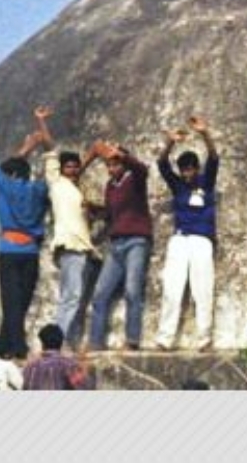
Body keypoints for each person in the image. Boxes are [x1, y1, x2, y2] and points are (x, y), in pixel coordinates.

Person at [0, 112, 51, 359]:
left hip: (10, 249)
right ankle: (6, 344)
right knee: (21, 303)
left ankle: (18, 347)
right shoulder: (39, 189)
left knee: (11, 303)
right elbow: (51, 156)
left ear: (11, 175)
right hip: (31, 251)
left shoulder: (5, 185)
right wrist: (37, 135)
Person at [32, 107, 98, 350]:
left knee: (73, 297)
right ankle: (56, 344)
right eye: (68, 166)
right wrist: (41, 122)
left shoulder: (77, 191)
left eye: (75, 166)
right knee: (71, 297)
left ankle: (65, 340)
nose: (73, 169)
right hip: (70, 246)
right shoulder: (57, 183)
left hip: (83, 248)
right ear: (61, 169)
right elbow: (50, 149)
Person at [154, 115, 221, 352]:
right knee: (172, 289)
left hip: (202, 240)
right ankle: (165, 338)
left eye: (189, 169)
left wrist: (204, 133)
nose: (186, 174)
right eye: (183, 170)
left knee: (203, 289)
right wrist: (170, 143)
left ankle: (204, 338)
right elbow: (162, 164)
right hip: (180, 239)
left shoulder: (206, 182)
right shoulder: (178, 186)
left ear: (196, 169)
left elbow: (214, 157)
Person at [87, 139, 155, 351]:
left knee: (132, 290)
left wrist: (122, 154)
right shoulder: (110, 186)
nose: (111, 169)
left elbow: (142, 169)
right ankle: (96, 342)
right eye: (108, 165)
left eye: (115, 164)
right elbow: (110, 214)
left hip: (136, 241)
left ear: (123, 164)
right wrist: (94, 209)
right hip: (116, 243)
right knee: (100, 294)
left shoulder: (134, 178)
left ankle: (132, 340)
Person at [22, 324, 92, 390]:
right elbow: (84, 387)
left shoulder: (31, 367)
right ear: (61, 343)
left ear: (42, 344)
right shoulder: (70, 365)